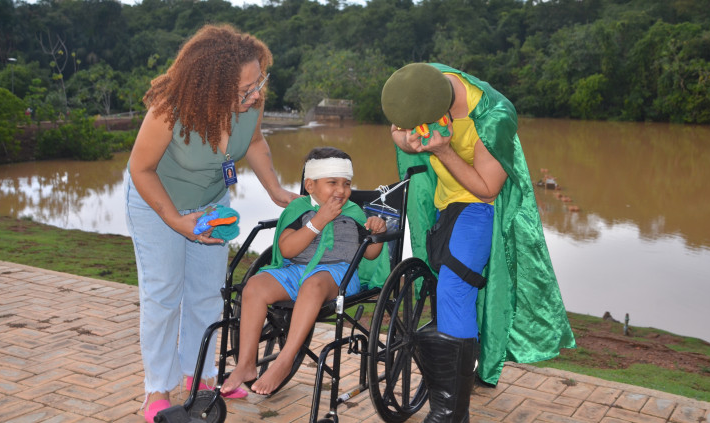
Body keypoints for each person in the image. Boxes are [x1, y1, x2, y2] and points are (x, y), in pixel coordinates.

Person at [381, 63, 575, 422]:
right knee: (448, 292)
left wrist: (443, 151)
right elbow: (397, 130)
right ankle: (457, 384)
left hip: (482, 206)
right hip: (443, 204)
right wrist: (407, 139)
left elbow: (488, 187)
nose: (412, 128)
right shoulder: (420, 84)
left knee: (455, 286)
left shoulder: (493, 115)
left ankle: (451, 412)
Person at [124, 24, 297, 422]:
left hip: (211, 204)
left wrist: (273, 188)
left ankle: (201, 378)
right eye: (245, 90)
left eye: (259, 82)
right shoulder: (171, 107)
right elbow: (141, 167)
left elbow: (254, 143)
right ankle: (157, 391)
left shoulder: (252, 103)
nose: (256, 94)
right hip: (158, 204)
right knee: (164, 295)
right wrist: (176, 221)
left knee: (206, 293)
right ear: (211, 87)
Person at [221, 146, 390, 396]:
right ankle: (246, 363)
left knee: (313, 284)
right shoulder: (298, 211)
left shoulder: (354, 214)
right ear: (310, 185)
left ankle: (285, 359)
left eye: (346, 183)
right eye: (332, 182)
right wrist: (318, 220)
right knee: (254, 286)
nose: (341, 190)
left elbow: (369, 254)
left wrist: (378, 233)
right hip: (295, 270)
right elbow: (287, 249)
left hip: (338, 275)